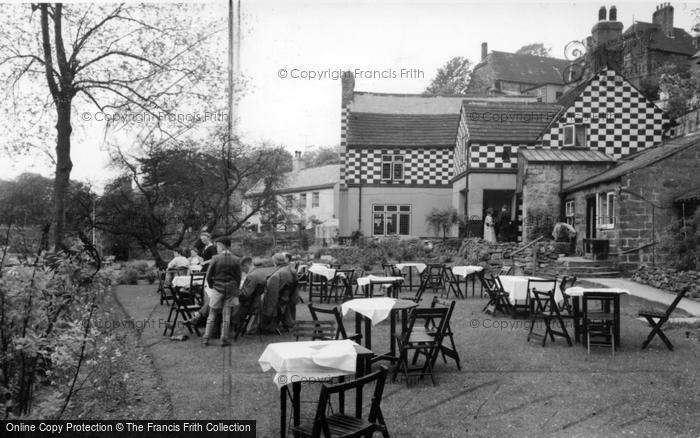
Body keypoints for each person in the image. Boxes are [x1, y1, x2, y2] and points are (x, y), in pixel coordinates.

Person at [202, 237, 241, 346]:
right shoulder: (236, 259)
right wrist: (235, 287)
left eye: (218, 245)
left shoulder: (215, 258)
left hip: (217, 288)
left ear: (223, 245)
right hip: (231, 290)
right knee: (226, 314)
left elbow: (208, 275)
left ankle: (206, 337)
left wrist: (211, 286)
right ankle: (224, 338)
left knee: (212, 313)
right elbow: (238, 277)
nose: (217, 248)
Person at [260, 253, 298, 332]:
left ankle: (264, 324)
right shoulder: (290, 270)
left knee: (258, 300)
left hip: (279, 300)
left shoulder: (277, 275)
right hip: (286, 298)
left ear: (275, 262)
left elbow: (272, 295)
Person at [234, 256, 269, 334]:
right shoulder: (261, 273)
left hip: (249, 305)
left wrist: (236, 291)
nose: (242, 271)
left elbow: (245, 295)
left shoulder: (251, 276)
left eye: (242, 268)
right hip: (257, 302)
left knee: (223, 302)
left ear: (246, 265)